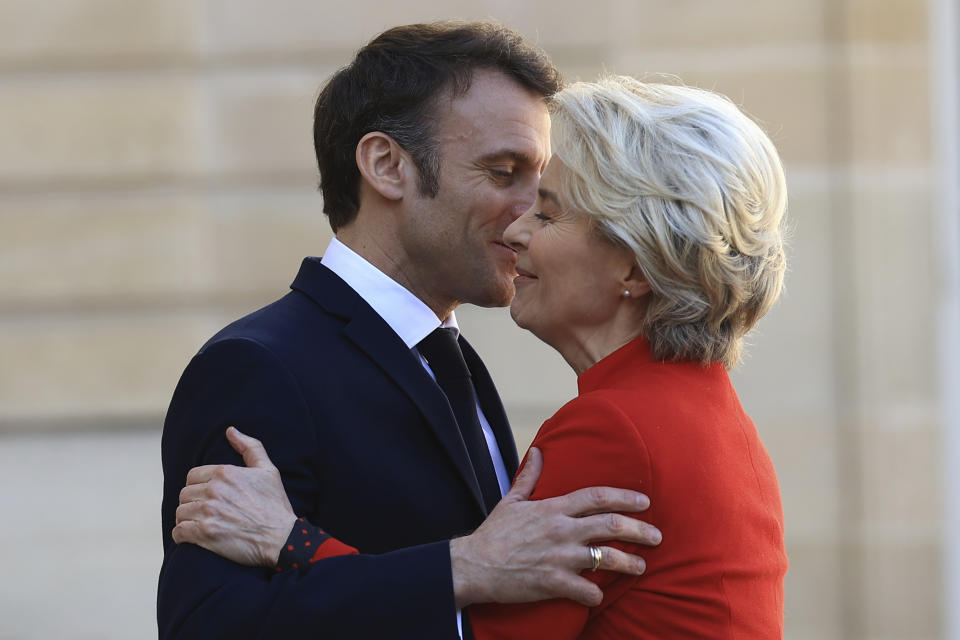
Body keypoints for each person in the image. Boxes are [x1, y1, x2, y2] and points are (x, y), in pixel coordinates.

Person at [175, 76, 790, 638]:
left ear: (633, 265)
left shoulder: (615, 428)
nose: (520, 225)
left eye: (548, 210)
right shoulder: (260, 366)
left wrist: (294, 542)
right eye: (502, 173)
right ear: (385, 166)